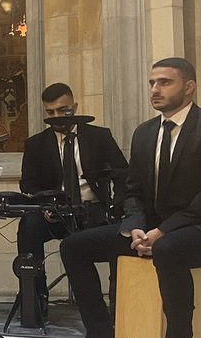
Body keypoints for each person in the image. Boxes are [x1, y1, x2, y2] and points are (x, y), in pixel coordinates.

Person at [55, 58, 201, 338]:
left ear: (189, 87)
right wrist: (135, 226)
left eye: (165, 82)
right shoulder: (145, 133)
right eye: (152, 82)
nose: (155, 89)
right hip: (153, 228)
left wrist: (163, 231)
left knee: (169, 249)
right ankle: (100, 336)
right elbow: (134, 191)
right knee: (74, 246)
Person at [16, 82, 128, 324]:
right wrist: (46, 203)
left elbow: (122, 173)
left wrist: (117, 206)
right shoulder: (35, 144)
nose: (57, 117)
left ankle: (117, 307)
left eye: (63, 110)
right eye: (50, 112)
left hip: (95, 210)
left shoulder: (99, 136)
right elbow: (28, 184)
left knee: (121, 233)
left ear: (75, 107)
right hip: (56, 211)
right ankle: (35, 299)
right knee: (29, 225)